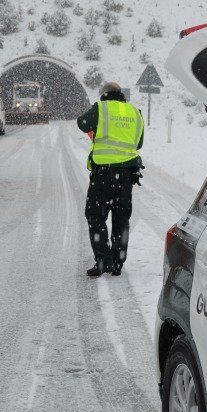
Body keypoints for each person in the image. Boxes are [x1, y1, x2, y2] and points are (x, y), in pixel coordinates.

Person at [77, 82, 144, 277]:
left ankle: (102, 260)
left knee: (96, 215)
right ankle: (117, 263)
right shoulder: (135, 112)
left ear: (104, 94)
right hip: (127, 175)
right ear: (120, 94)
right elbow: (138, 143)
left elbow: (82, 124)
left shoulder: (101, 108)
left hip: (104, 174)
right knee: (121, 219)